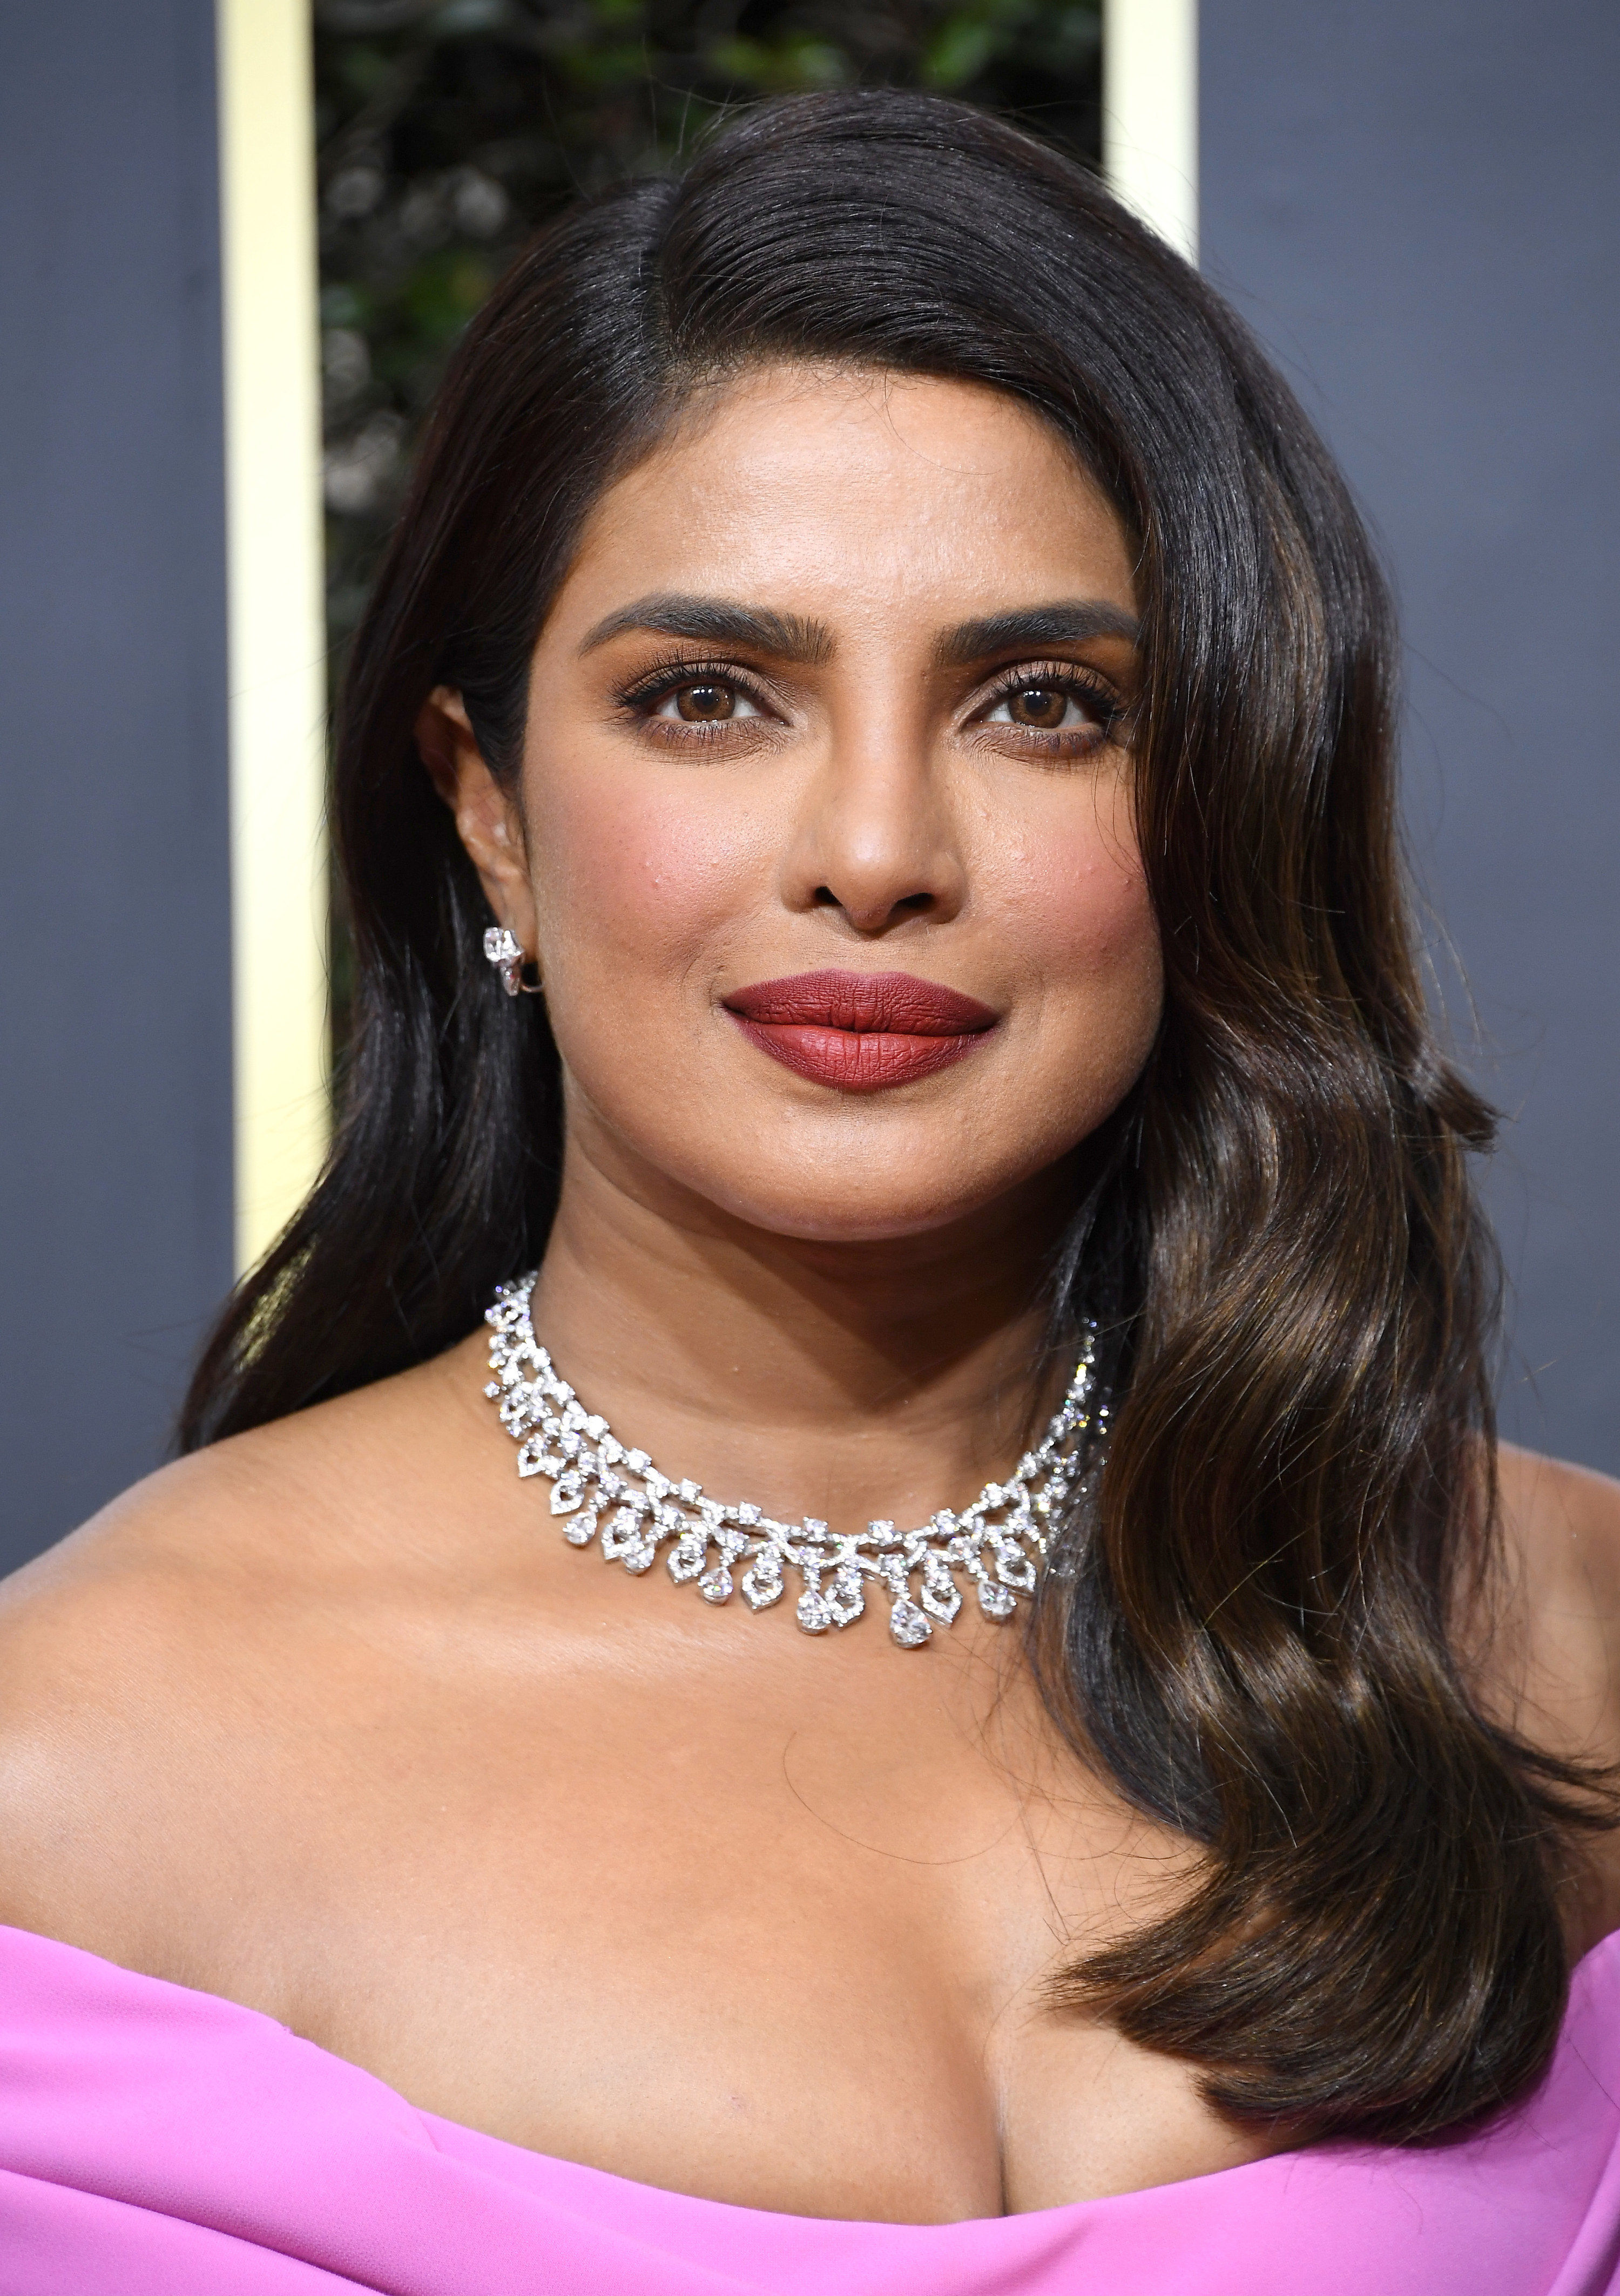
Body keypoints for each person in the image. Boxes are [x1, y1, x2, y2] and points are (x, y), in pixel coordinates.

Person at [1, 90, 1617, 2295]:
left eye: (1044, 703)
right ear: (486, 812)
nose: (876, 846)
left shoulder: (1555, 1629)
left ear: (1220, 790)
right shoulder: (66, 1770)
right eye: (707, 694)